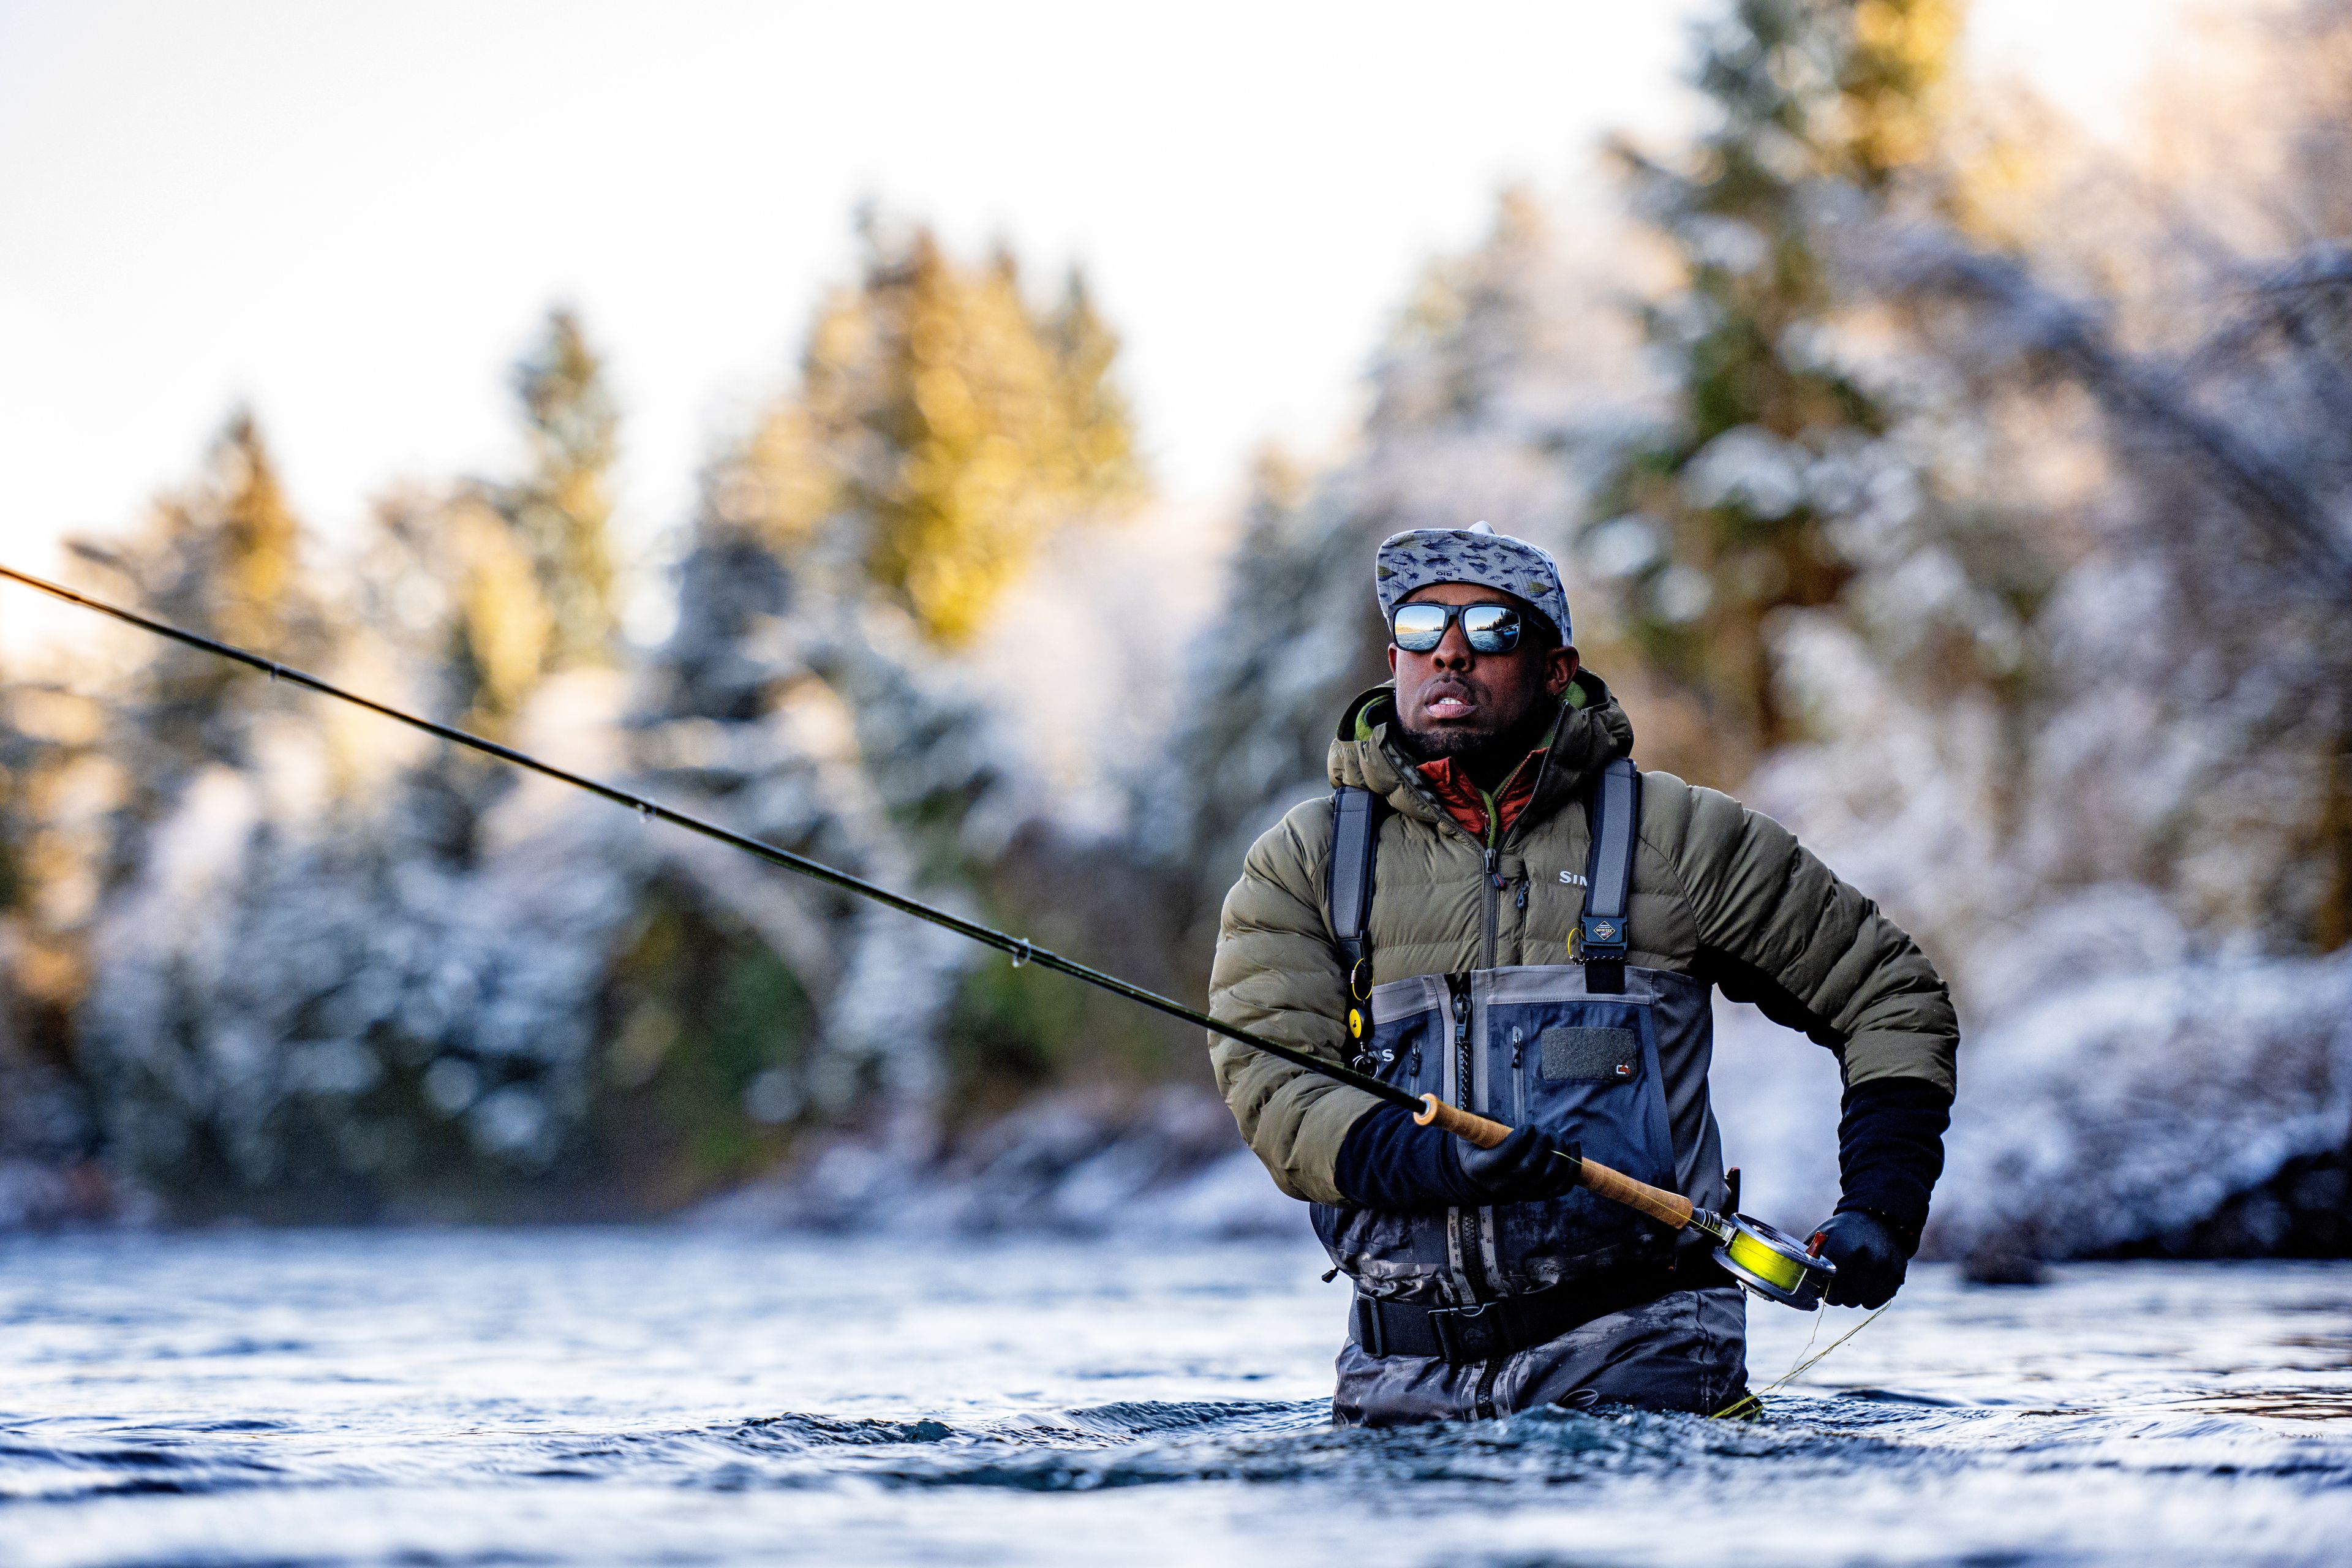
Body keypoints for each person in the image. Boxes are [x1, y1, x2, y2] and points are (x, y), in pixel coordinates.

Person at [1207, 521, 1957, 1425]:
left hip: (1647, 1357)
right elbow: (1270, 1083)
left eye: (1490, 631)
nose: (1449, 653)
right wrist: (1426, 1158)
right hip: (1399, 1377)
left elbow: (1890, 996)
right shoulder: (1305, 863)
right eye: (1419, 628)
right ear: (1392, 656)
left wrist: (1883, 1200)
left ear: (1556, 669)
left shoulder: (1676, 839)